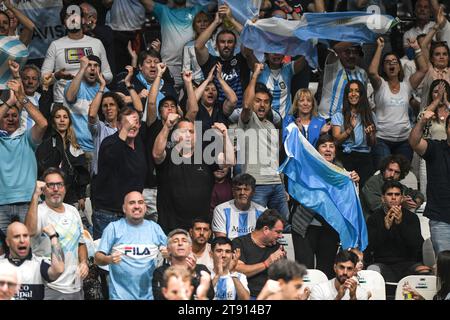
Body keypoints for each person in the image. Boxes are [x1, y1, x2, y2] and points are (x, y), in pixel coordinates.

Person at [290, 134, 359, 279]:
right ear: (316, 150)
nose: (328, 149)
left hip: (330, 228)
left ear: (335, 151)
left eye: (331, 146)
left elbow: (349, 202)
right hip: (305, 225)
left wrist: (354, 183)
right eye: (323, 146)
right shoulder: (306, 167)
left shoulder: (342, 172)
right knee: (304, 272)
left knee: (326, 271)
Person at [153, 114, 234, 233]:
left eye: (191, 132)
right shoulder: (168, 156)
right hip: (170, 227)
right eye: (183, 131)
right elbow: (157, 154)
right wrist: (167, 126)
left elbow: (230, 161)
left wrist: (225, 134)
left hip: (199, 229)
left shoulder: (205, 156)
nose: (187, 135)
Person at [25, 168, 88, 300]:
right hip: (49, 287)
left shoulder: (73, 211)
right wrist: (35, 196)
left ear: (65, 188)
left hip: (75, 286)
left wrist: (84, 262)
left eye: (59, 184)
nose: (55, 189)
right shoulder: (38, 211)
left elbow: (81, 243)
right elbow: (28, 231)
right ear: (43, 189)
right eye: (50, 185)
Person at [237, 63, 289, 223]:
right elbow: (245, 105)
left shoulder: (272, 124)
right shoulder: (248, 120)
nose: (262, 105)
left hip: (276, 183)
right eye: (257, 101)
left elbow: (275, 159)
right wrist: (254, 76)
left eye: (266, 102)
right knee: (255, 224)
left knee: (284, 224)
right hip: (257, 183)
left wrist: (283, 186)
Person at [94, 191, 166, 300]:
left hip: (149, 296)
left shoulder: (155, 228)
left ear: (145, 207)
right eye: (132, 203)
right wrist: (109, 259)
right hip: (119, 297)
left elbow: (172, 253)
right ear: (124, 208)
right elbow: (97, 258)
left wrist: (168, 254)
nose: (137, 206)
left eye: (140, 202)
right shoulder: (113, 228)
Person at [368, 37, 428, 167]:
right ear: (383, 68)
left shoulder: (407, 85)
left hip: (404, 141)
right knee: (383, 176)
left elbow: (423, 69)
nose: (391, 64)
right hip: (382, 139)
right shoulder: (380, 85)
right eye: (387, 62)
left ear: (399, 67)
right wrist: (380, 47)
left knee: (402, 177)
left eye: (395, 61)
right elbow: (372, 72)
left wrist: (417, 48)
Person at [92, 107, 148, 240]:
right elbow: (113, 157)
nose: (131, 127)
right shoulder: (109, 143)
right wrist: (125, 129)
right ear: (118, 125)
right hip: (108, 213)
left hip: (131, 213)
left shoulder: (139, 143)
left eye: (135, 123)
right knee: (105, 257)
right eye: (127, 123)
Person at [0, 77, 47, 233]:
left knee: (29, 247)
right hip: (1, 203)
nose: (11, 118)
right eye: (7, 115)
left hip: (28, 201)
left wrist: (22, 99)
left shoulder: (27, 139)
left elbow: (43, 123)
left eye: (15, 115)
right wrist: (8, 103)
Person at [41, 3, 112, 103]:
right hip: (63, 105)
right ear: (64, 24)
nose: (73, 19)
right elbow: (42, 79)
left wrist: (93, 76)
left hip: (91, 101)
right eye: (68, 17)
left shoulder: (96, 43)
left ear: (83, 20)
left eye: (76, 15)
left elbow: (108, 75)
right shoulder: (55, 45)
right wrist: (57, 75)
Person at [365, 181, 430, 283]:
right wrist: (385, 228)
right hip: (383, 264)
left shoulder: (412, 217)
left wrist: (401, 224)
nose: (394, 198)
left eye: (397, 194)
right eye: (390, 194)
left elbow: (417, 246)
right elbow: (369, 247)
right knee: (372, 271)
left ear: (402, 198)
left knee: (425, 272)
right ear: (383, 198)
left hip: (408, 263)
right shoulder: (374, 218)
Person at [140, 0, 210, 92]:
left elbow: (220, 4)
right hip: (169, 66)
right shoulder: (163, 11)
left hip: (193, 67)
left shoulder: (197, 9)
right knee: (169, 102)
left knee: (193, 100)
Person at [409, 109, 450, 255]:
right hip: (441, 219)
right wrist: (422, 121)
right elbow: (414, 142)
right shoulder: (435, 148)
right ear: (446, 129)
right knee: (445, 267)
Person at [35, 104, 89, 213]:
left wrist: (81, 195)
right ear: (53, 120)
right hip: (50, 193)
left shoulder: (75, 144)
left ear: (69, 120)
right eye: (58, 117)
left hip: (71, 195)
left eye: (65, 117)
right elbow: (41, 169)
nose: (62, 120)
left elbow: (81, 171)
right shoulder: (46, 140)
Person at [196, 9, 250, 114]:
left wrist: (231, 19)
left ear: (235, 45)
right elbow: (198, 46)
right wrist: (216, 22)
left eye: (230, 42)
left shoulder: (241, 59)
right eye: (222, 42)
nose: (226, 45)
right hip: (217, 113)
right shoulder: (211, 62)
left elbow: (249, 38)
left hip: (241, 113)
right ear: (216, 46)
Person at [0, 222, 64, 300]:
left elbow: (59, 269)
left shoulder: (39, 263)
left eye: (25, 236)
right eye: (16, 237)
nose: (22, 240)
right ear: (7, 242)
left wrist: (53, 236)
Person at [331, 80, 377, 188]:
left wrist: (370, 134)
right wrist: (349, 128)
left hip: (365, 157)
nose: (353, 94)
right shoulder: (339, 115)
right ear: (346, 95)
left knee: (365, 190)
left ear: (361, 94)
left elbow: (373, 143)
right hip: (346, 156)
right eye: (350, 91)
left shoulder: (370, 116)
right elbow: (336, 140)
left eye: (357, 91)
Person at [232, 209, 286, 299]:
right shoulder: (240, 243)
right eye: (278, 232)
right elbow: (238, 271)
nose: (281, 236)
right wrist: (267, 263)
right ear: (265, 229)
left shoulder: (277, 247)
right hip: (246, 295)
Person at [152, 229, 214, 300]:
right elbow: (158, 297)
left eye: (184, 241)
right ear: (168, 249)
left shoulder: (202, 270)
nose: (180, 243)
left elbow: (210, 295)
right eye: (175, 241)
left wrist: (193, 274)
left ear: (190, 249)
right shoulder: (160, 272)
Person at [318, 41, 368, 120]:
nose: (351, 55)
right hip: (327, 120)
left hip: (349, 122)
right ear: (340, 53)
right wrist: (356, 37)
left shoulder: (362, 73)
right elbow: (336, 49)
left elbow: (362, 99)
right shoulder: (333, 65)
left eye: (355, 52)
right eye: (347, 52)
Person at [212, 173, 265, 240]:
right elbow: (221, 241)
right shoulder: (221, 210)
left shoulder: (262, 212)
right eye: (238, 189)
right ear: (233, 191)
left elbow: (263, 240)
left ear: (253, 192)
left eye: (246, 189)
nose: (242, 193)